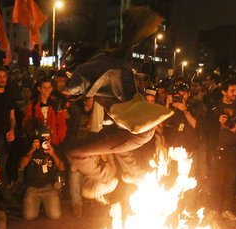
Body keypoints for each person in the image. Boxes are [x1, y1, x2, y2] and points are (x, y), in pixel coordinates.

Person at [62, 7, 172, 199]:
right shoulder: (113, 62)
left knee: (74, 152)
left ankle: (107, 180)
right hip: (135, 127)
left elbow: (70, 89)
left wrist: (59, 88)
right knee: (98, 142)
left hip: (130, 131)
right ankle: (134, 175)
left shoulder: (90, 66)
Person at [208, 79, 236, 221]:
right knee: (216, 181)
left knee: (230, 181)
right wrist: (218, 121)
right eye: (232, 91)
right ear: (224, 92)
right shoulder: (216, 108)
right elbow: (208, 127)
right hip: (218, 148)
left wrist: (228, 124)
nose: (235, 93)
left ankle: (226, 209)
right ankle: (214, 209)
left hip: (233, 150)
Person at [19, 132, 66, 220]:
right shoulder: (31, 147)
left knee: (55, 215)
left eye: (48, 139)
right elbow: (21, 165)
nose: (46, 141)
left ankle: (44, 204)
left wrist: (53, 154)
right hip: (32, 187)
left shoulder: (53, 148)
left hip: (48, 187)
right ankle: (37, 204)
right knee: (29, 216)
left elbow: (62, 168)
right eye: (44, 139)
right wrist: (32, 150)